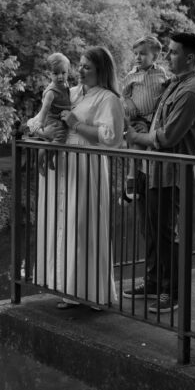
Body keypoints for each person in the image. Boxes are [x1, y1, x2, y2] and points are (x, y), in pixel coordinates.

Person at [123, 32, 195, 314]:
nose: (168, 56)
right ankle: (153, 280)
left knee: (165, 233)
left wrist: (135, 137)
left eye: (173, 52)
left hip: (170, 173)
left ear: (190, 58)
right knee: (150, 230)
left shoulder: (192, 90)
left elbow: (168, 136)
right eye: (169, 51)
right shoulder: (174, 83)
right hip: (151, 167)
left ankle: (171, 292)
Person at [35, 46, 124, 310]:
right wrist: (40, 134)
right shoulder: (72, 93)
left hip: (88, 166)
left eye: (87, 67)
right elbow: (50, 115)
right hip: (65, 166)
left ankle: (95, 294)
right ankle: (69, 289)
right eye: (80, 65)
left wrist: (75, 124)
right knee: (66, 224)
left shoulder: (108, 99)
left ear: (101, 70)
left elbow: (112, 138)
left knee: (86, 225)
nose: (80, 71)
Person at [122, 35, 171, 133]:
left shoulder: (160, 72)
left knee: (154, 141)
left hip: (155, 118)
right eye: (136, 54)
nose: (138, 57)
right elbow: (125, 93)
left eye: (142, 54)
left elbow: (166, 85)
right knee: (140, 138)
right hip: (138, 117)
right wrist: (130, 103)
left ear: (155, 57)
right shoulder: (131, 76)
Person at [26, 52, 72, 144]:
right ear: (49, 74)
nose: (60, 77)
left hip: (59, 118)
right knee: (61, 135)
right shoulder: (51, 92)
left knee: (54, 138)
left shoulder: (65, 85)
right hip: (52, 120)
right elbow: (45, 108)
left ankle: (46, 153)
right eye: (55, 73)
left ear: (68, 72)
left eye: (63, 73)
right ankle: (49, 154)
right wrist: (41, 122)